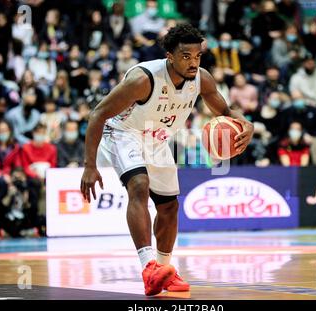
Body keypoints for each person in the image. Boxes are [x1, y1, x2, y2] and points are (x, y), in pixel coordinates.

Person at [80, 24, 254, 296]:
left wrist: (246, 124)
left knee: (170, 207)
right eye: (186, 56)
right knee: (139, 185)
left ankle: (163, 271)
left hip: (157, 138)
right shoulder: (143, 79)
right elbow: (97, 114)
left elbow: (227, 111)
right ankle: (148, 265)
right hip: (124, 132)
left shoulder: (202, 79)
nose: (193, 62)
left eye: (197, 56)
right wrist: (89, 166)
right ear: (170, 56)